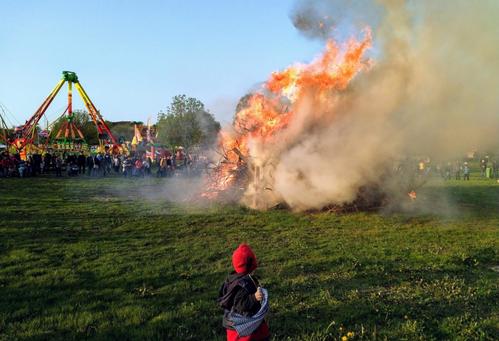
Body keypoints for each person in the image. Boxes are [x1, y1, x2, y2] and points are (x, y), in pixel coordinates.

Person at [217, 244, 270, 341]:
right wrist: (254, 297)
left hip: (235, 326)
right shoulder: (242, 285)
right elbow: (240, 304)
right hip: (244, 328)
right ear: (250, 263)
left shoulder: (234, 279)